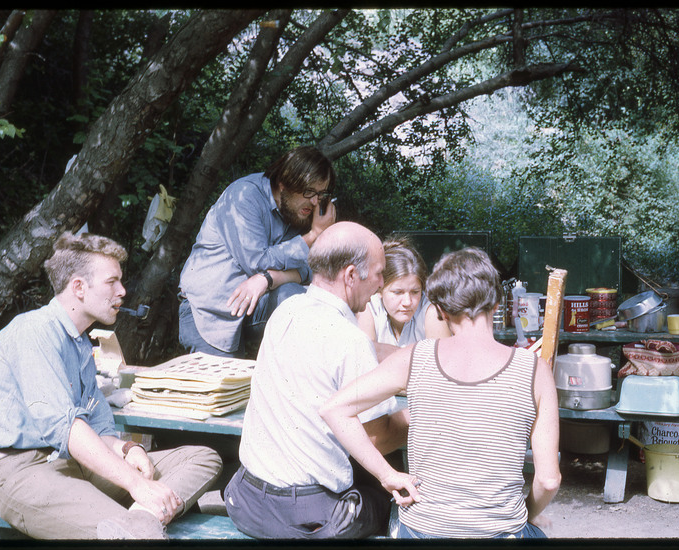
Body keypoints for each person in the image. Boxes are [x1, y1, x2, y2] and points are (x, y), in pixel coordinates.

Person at [0, 232, 223, 540]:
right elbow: (68, 429)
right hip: (20, 470)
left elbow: (100, 431)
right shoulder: (33, 332)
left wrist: (129, 449)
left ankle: (142, 518)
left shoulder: (79, 344)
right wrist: (137, 484)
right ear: (78, 287)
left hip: (74, 461)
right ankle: (136, 527)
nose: (122, 291)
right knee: (137, 534)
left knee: (203, 457)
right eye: (111, 282)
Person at [321, 247, 561, 539]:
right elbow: (548, 480)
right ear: (497, 304)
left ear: (441, 310)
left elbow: (333, 408)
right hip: (502, 532)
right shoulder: (535, 370)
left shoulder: (413, 358)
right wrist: (529, 514)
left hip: (422, 531)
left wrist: (387, 476)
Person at [224, 221, 409, 539]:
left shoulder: (285, 310)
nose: (381, 283)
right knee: (395, 500)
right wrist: (430, 407)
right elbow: (377, 439)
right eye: (379, 273)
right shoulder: (349, 339)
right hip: (307, 519)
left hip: (246, 501)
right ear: (351, 275)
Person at [178, 146, 337, 357]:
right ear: (283, 183)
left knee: (298, 299)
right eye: (308, 191)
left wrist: (269, 279)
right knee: (223, 386)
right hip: (210, 312)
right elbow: (258, 262)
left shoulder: (302, 211)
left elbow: (316, 269)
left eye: (320, 193)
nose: (315, 202)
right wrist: (313, 235)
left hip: (254, 307)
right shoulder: (243, 197)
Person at [357, 236, 451, 361]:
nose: (407, 302)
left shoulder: (432, 312)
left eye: (415, 292)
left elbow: (440, 366)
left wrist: (380, 350)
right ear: (379, 289)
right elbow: (363, 361)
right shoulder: (368, 307)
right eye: (398, 292)